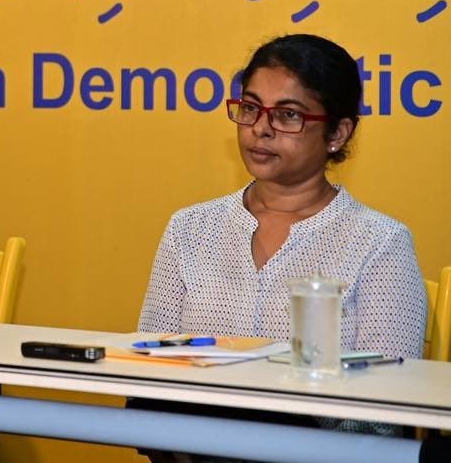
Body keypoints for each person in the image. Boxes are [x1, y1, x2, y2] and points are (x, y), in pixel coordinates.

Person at [136, 33, 427, 459]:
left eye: (288, 115)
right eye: (250, 108)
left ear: (337, 133)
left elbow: (385, 407)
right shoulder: (190, 229)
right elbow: (149, 371)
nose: (261, 128)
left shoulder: (380, 243)